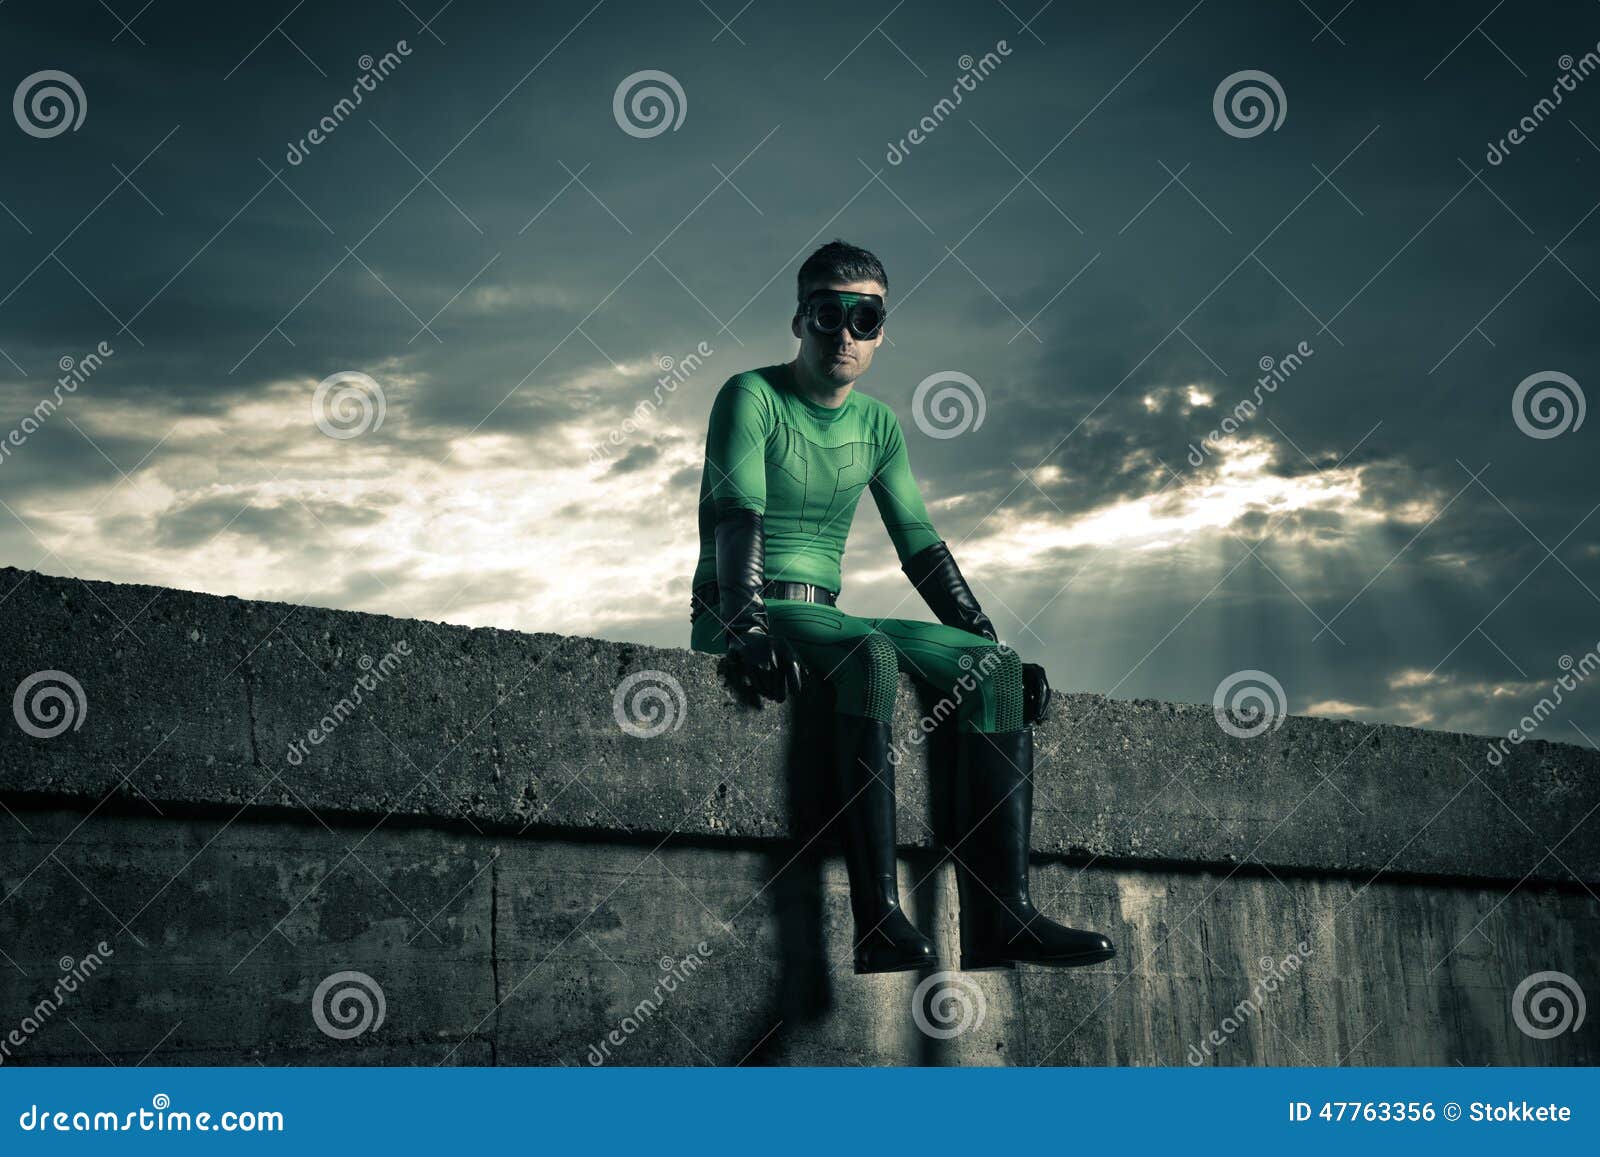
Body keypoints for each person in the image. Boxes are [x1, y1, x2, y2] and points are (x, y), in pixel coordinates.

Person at [689, 240, 1115, 975]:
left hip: (824, 615)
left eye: (864, 317)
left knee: (993, 668)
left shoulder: (880, 426)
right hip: (749, 611)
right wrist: (747, 625)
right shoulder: (749, 396)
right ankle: (878, 920)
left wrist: (990, 644)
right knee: (872, 656)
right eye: (829, 314)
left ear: (881, 330)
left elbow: (919, 543)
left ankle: (1002, 917)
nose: (844, 334)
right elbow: (737, 515)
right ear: (800, 320)